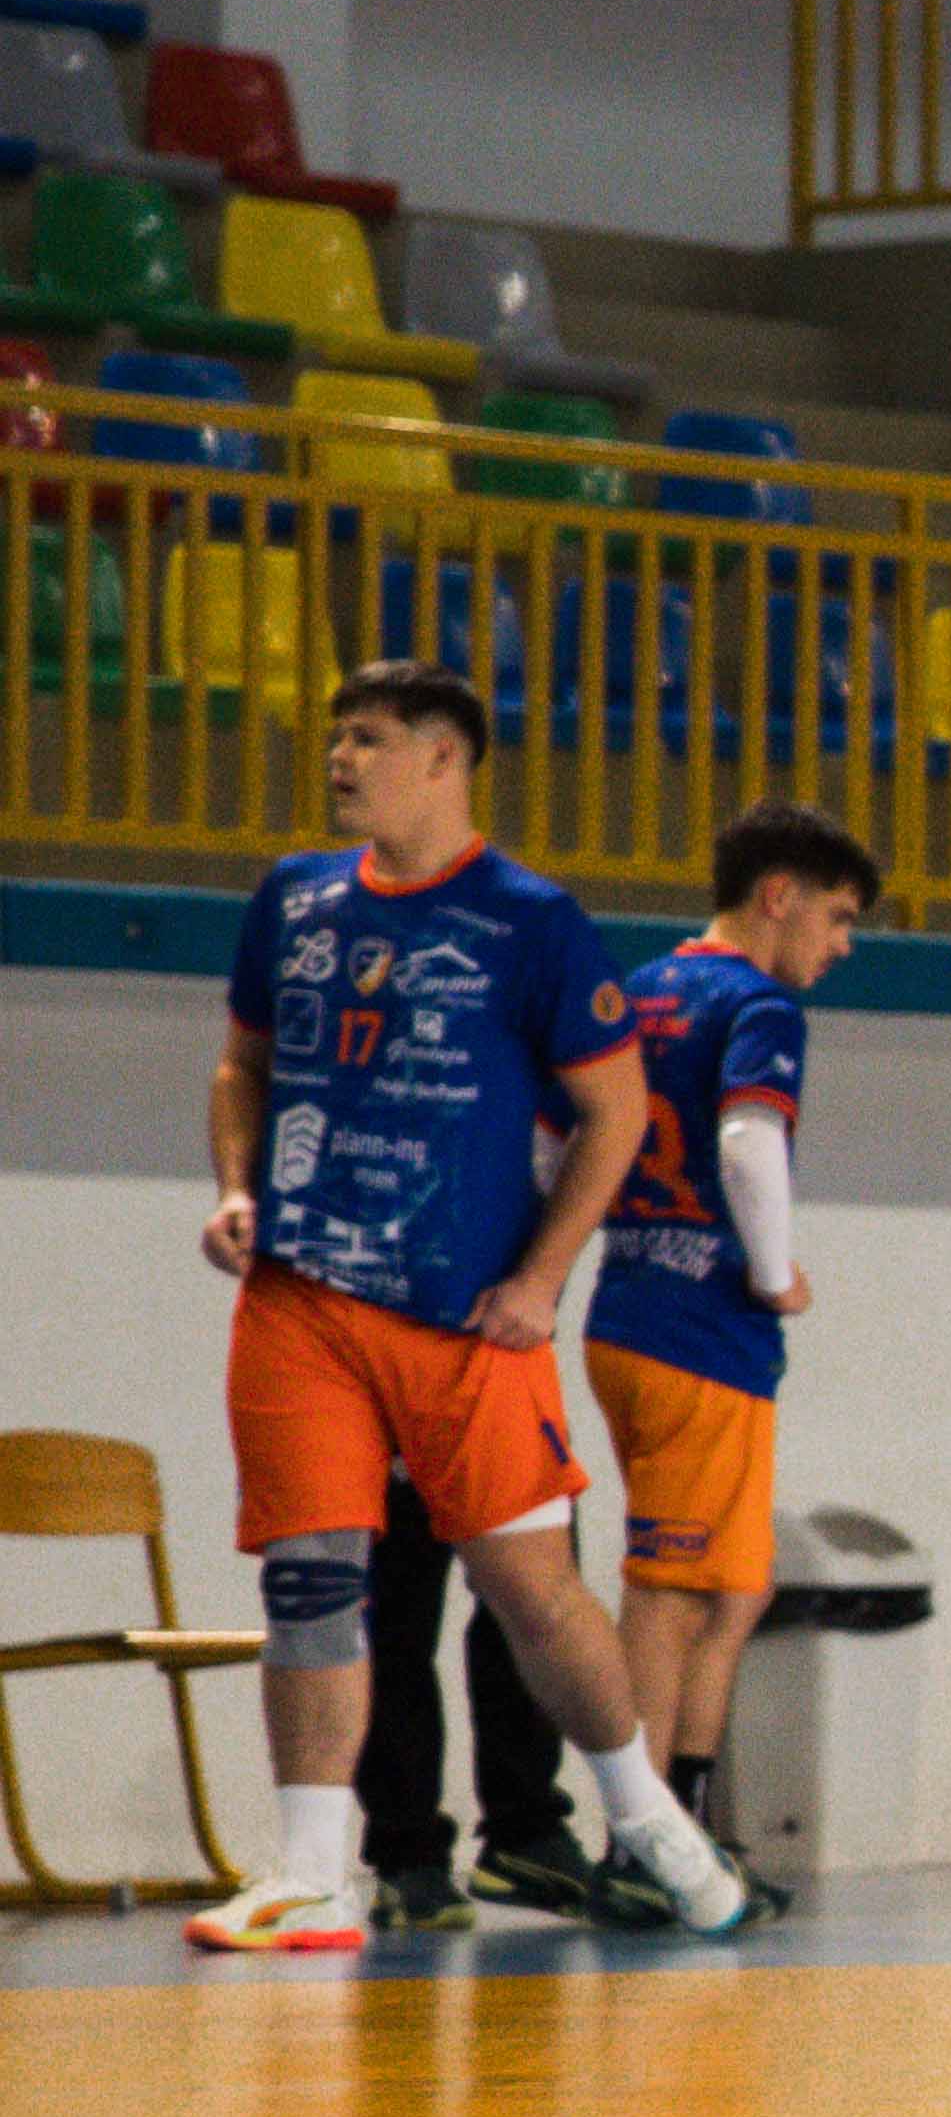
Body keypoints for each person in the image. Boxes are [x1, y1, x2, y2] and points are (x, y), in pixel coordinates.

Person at [184, 663, 754, 1952]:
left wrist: (543, 1279)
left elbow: (617, 1111)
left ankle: (647, 1816)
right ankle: (313, 1870)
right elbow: (241, 1064)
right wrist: (235, 1188)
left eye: (369, 738)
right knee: (311, 1577)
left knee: (531, 1593)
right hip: (300, 1299)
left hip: (462, 1319)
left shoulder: (529, 920)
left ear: (444, 758)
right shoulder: (293, 897)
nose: (340, 757)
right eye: (336, 734)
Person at [576, 801, 880, 1896]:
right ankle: (641, 1842)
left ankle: (689, 1822)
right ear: (777, 896)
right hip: (698, 1329)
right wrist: (771, 1268)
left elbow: (560, 1136)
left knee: (735, 1588)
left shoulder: (634, 992)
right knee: (668, 1595)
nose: (841, 946)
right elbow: (750, 1140)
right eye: (837, 917)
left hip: (632, 1312)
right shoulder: (758, 1004)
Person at [350, 1476, 576, 1931]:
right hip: (385, 1448)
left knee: (533, 1602)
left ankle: (526, 1833)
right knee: (394, 1623)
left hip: (506, 1438)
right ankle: (407, 1851)